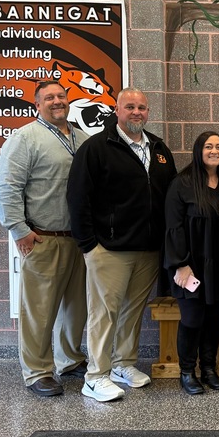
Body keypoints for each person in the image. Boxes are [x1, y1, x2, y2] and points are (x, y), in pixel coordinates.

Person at [67, 88, 178, 402]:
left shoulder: (158, 148)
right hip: (108, 249)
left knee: (132, 311)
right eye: (130, 107)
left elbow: (170, 195)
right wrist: (89, 245)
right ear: (116, 110)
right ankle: (95, 376)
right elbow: (78, 197)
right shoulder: (96, 148)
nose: (136, 112)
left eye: (142, 107)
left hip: (148, 248)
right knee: (104, 313)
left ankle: (122, 364)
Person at [0, 81, 89, 397]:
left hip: (79, 239)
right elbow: (7, 186)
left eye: (61, 96)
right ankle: (37, 371)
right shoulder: (25, 138)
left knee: (76, 308)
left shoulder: (82, 138)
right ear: (37, 104)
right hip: (43, 238)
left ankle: (70, 359)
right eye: (49, 98)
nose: (57, 101)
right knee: (39, 310)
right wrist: (18, 229)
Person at [164, 131, 219, 395]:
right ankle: (186, 372)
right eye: (208, 146)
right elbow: (173, 227)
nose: (214, 151)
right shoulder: (181, 183)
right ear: (198, 150)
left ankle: (208, 368)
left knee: (215, 317)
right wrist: (181, 264)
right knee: (193, 318)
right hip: (190, 264)